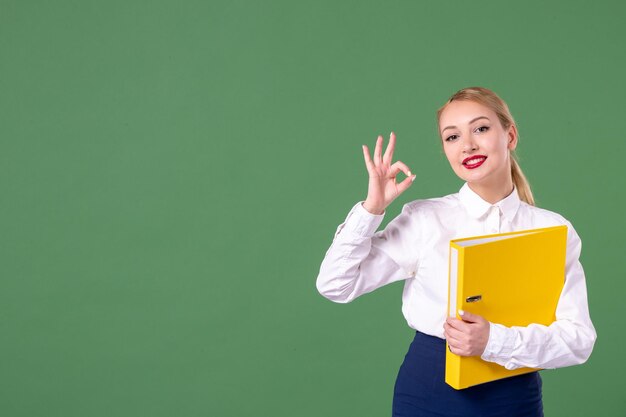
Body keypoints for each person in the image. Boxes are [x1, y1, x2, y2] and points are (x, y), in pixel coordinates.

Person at [315, 86, 597, 417]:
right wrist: (371, 209)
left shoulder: (554, 231)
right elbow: (335, 284)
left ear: (510, 135)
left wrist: (492, 342)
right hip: (429, 391)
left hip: (513, 397)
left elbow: (578, 340)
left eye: (481, 128)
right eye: (452, 137)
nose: (468, 145)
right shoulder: (425, 219)